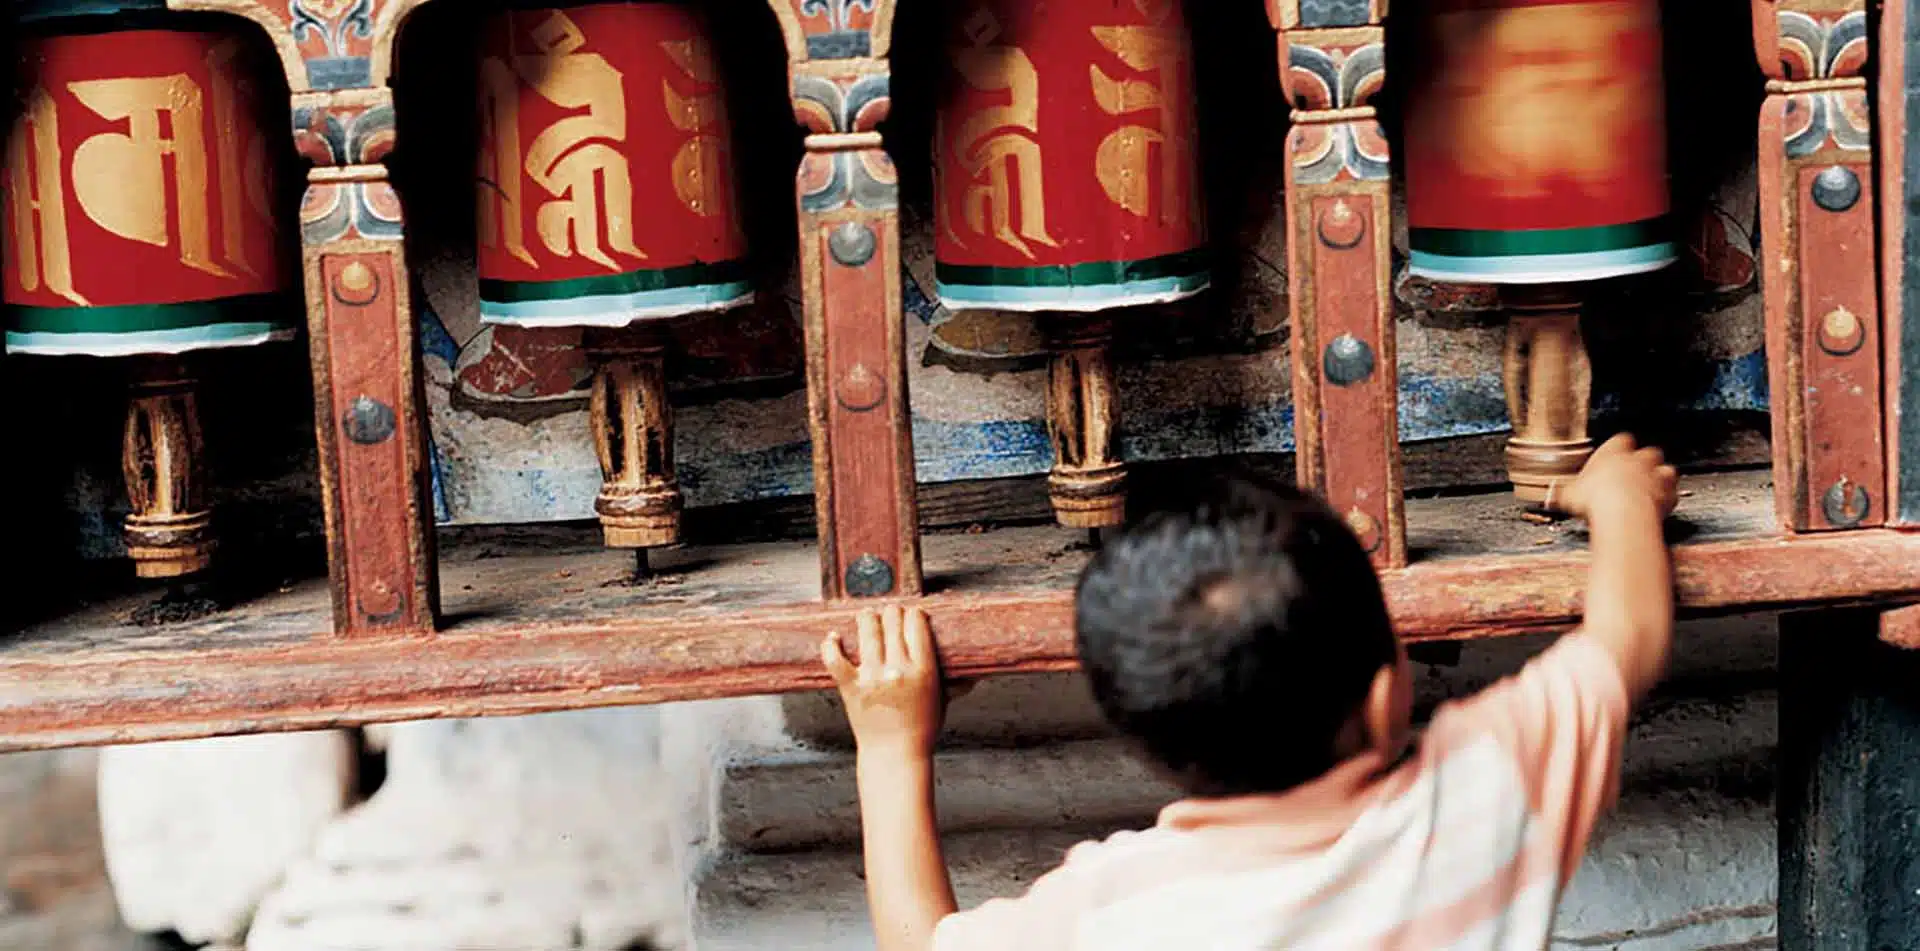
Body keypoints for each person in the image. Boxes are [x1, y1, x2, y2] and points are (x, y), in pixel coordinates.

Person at [822, 432, 1680, 951]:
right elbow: (1625, 637)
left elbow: (922, 942)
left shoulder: (1114, 915)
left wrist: (893, 744)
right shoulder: (1482, 791)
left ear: (1149, 739)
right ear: (1385, 701)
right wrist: (1617, 497)